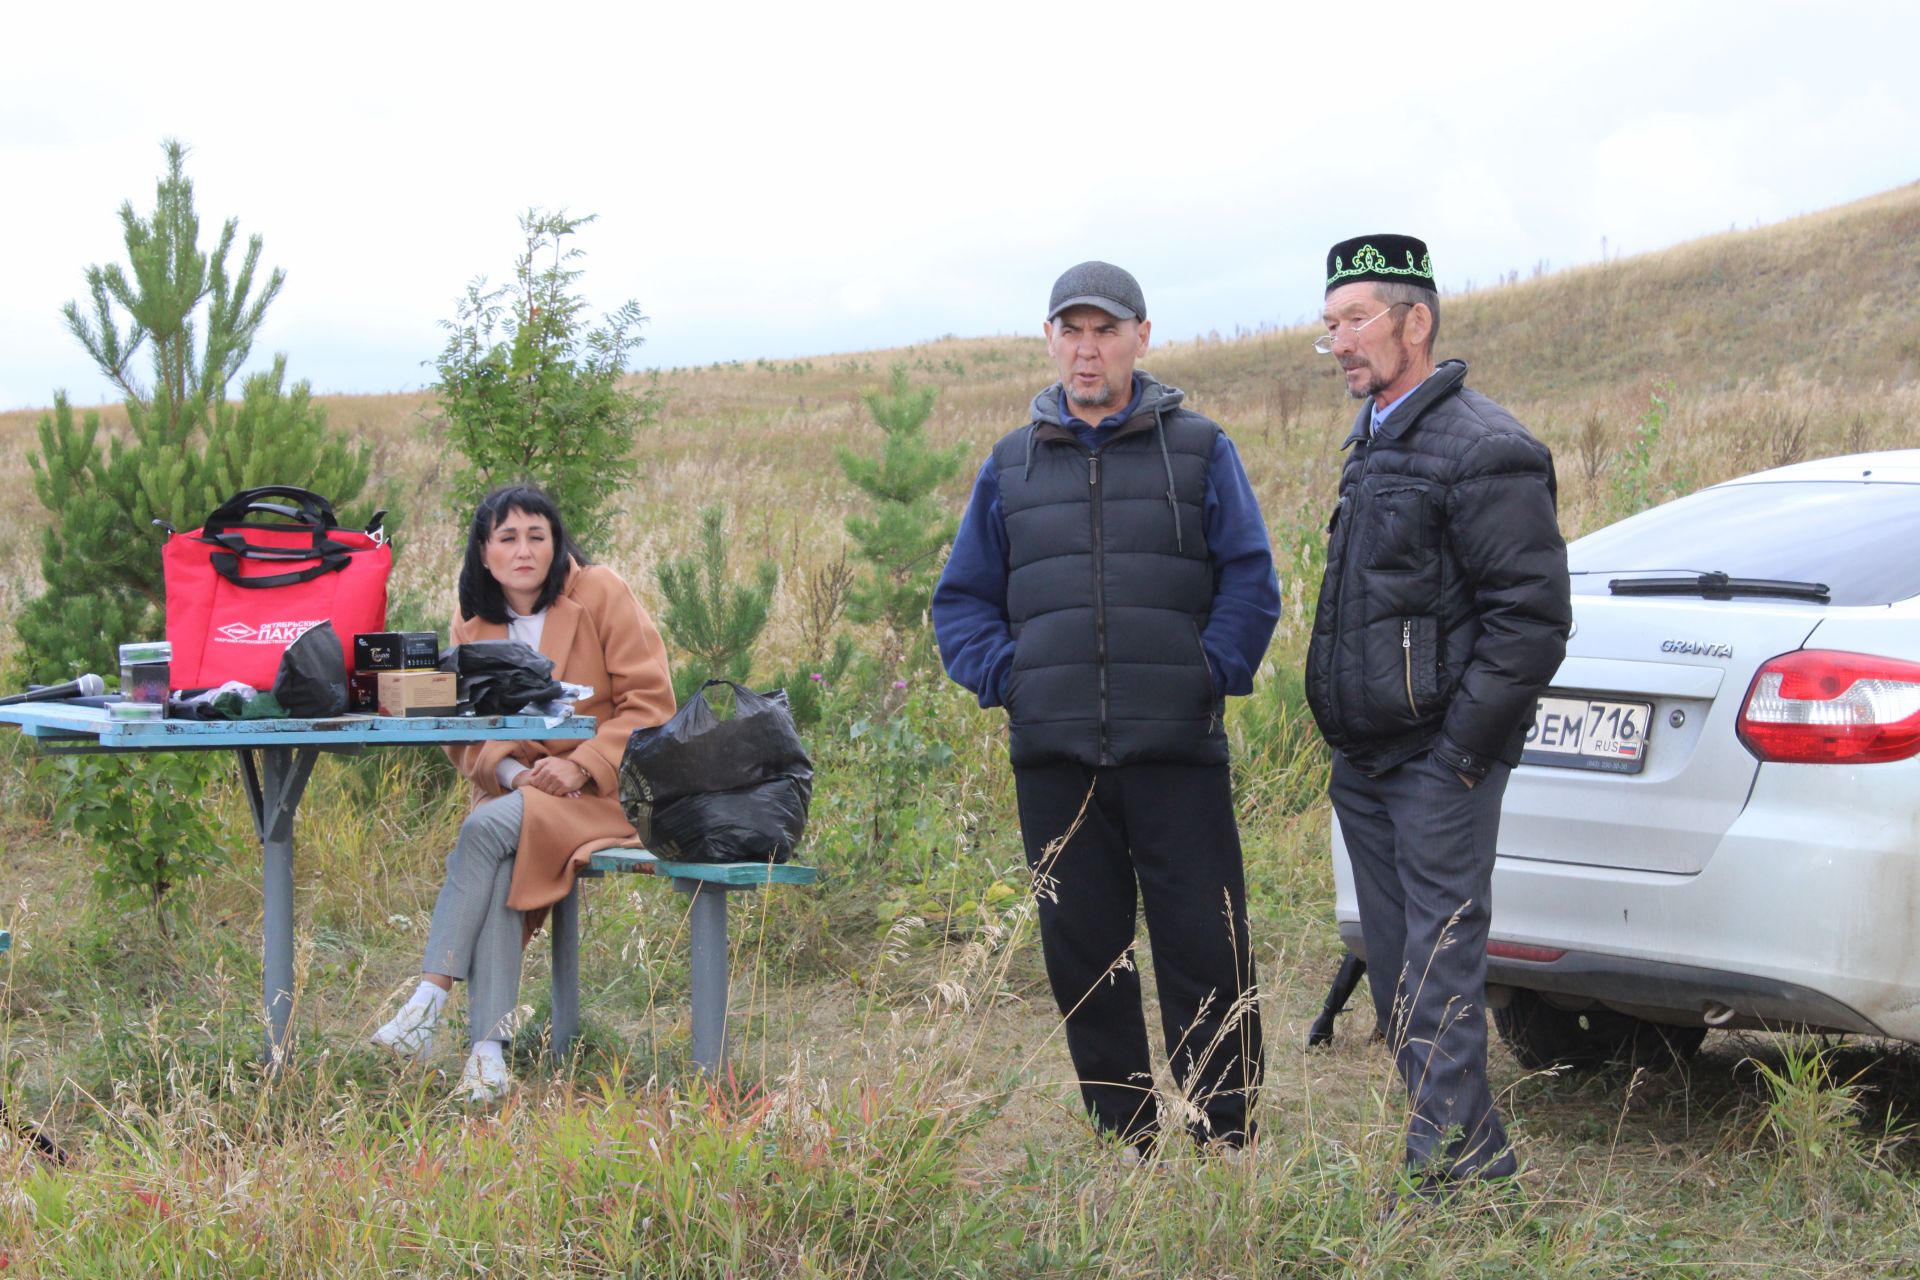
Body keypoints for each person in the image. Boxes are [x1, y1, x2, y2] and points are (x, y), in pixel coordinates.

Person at [932, 261, 1279, 1155]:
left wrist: (1209, 673)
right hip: (1056, 760)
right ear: (1050, 341)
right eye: (1071, 331)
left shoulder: (1200, 447)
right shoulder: (1012, 464)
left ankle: (1224, 1134)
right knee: (1087, 958)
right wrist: (1012, 680)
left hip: (1177, 750)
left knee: (1206, 947)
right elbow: (961, 600)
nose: (1087, 350)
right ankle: (1127, 1138)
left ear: (1141, 338)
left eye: (1106, 331)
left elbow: (1250, 579)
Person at [1303, 234, 1571, 1189]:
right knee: (1398, 969)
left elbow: (1531, 625)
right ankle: (1461, 1156)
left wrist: (1460, 755)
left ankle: (1452, 1179)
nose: (1337, 341)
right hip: (1368, 764)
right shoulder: (1375, 442)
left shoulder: (1486, 448)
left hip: (1435, 766)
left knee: (1439, 969)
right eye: (1329, 324)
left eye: (1356, 320)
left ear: (1416, 322)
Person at [371, 484, 675, 1101]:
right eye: (507, 538)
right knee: (504, 854)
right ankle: (487, 1055)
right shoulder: (474, 622)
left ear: (556, 542)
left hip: (607, 793)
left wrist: (583, 766)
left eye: (538, 535)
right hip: (524, 793)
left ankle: (429, 998)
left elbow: (652, 705)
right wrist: (513, 776)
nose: (524, 550)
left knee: (483, 831)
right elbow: (461, 733)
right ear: (484, 553)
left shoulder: (600, 591)